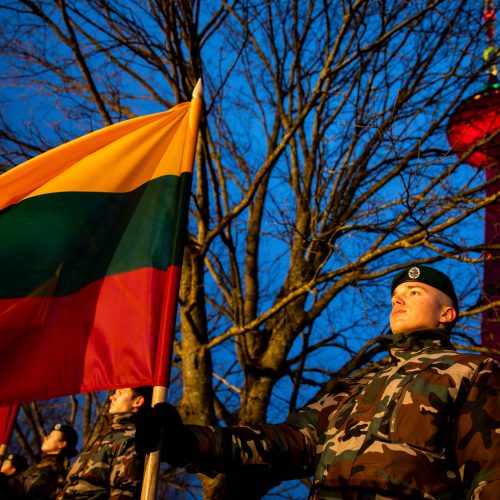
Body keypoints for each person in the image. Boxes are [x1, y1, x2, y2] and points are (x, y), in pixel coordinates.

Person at [135, 266, 500, 499]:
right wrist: (186, 441)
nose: (398, 300)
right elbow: (285, 442)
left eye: (414, 293)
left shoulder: (472, 370)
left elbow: (490, 472)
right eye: (395, 297)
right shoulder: (355, 386)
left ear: (447, 313)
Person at [57, 386, 152, 499]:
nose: (112, 397)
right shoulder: (104, 435)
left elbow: (124, 491)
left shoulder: (132, 437)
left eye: (121, 393)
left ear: (138, 401)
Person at [0, 423, 78, 499]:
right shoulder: (43, 466)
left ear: (62, 444)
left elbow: (24, 488)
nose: (45, 438)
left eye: (51, 436)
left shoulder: (52, 471)